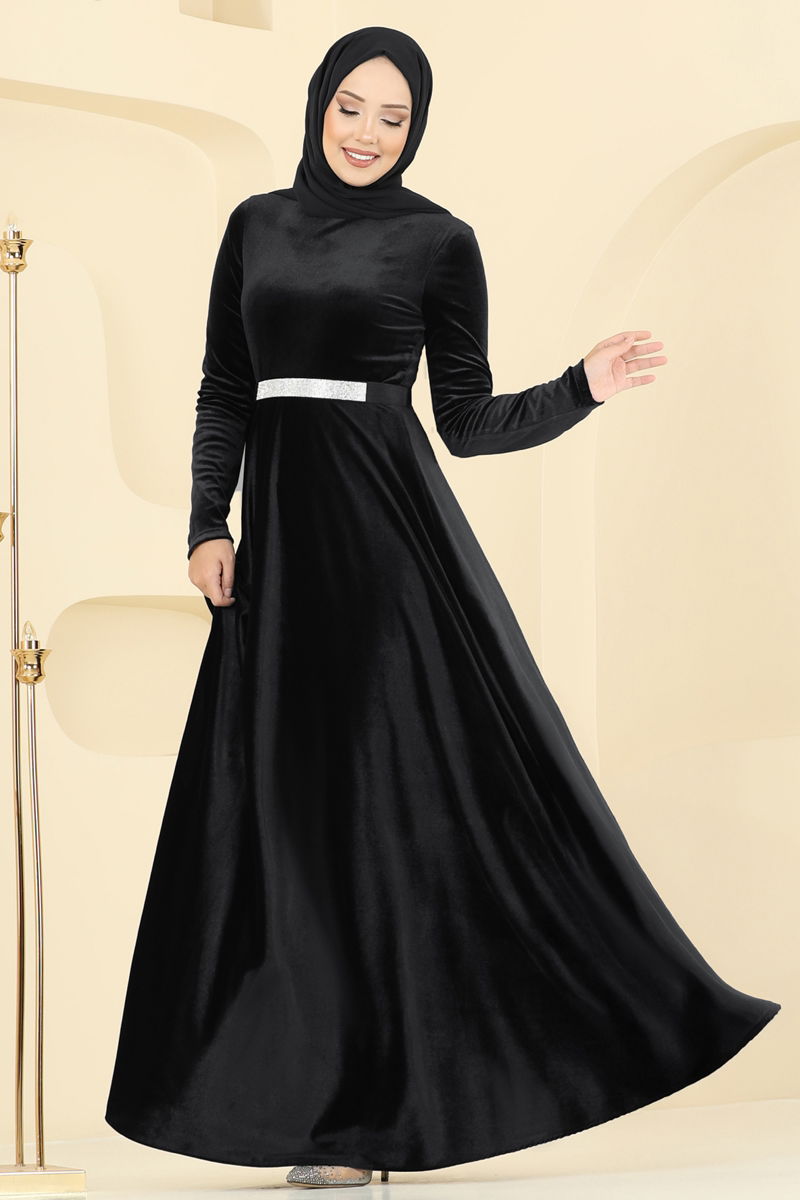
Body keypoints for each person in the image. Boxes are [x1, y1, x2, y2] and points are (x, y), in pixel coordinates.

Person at [104, 25, 781, 1191]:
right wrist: (207, 523)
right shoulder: (254, 224)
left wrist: (579, 387)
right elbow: (225, 387)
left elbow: (464, 421)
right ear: (318, 103)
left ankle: (367, 1125)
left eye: (394, 117)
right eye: (350, 107)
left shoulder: (437, 240)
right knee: (282, 828)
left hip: (386, 557)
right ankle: (307, 1105)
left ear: (415, 128)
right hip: (280, 566)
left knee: (375, 823)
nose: (367, 133)